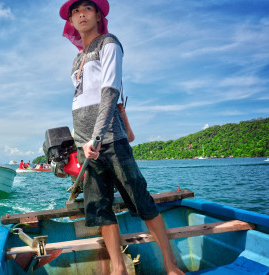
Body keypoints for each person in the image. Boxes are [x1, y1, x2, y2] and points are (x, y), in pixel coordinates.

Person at [59, 1, 184, 274]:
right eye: (75, 11)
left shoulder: (109, 43)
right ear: (70, 21)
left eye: (87, 9)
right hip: (85, 145)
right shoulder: (76, 60)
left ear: (98, 15)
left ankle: (170, 263)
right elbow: (81, 100)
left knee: (141, 200)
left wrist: (97, 135)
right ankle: (118, 269)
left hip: (110, 139)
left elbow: (109, 92)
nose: (80, 14)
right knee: (100, 209)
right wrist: (84, 141)